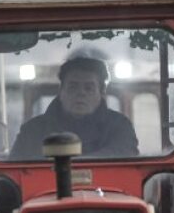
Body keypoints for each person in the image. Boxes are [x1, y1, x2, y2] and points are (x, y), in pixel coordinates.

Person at [9, 48, 139, 160]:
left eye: (88, 88)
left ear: (102, 92)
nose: (80, 93)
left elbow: (124, 156)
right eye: (73, 87)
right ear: (61, 90)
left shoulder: (120, 127)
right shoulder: (32, 131)